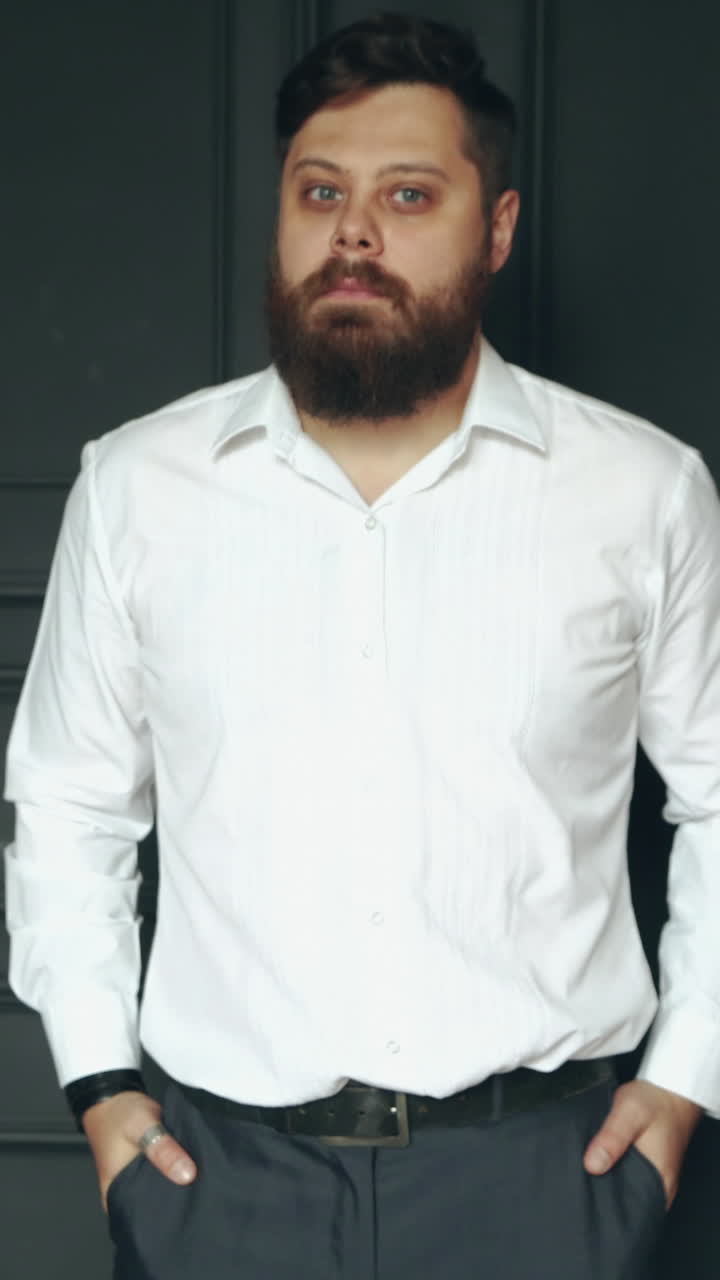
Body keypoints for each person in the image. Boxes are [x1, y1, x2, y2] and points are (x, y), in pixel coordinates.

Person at [4, 11, 719, 1279]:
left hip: (545, 1187)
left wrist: (682, 1087)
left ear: (495, 228)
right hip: (217, 1190)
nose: (353, 232)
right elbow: (65, 801)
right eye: (320, 191)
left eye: (408, 194)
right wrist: (102, 1087)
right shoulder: (139, 486)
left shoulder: (644, 492)